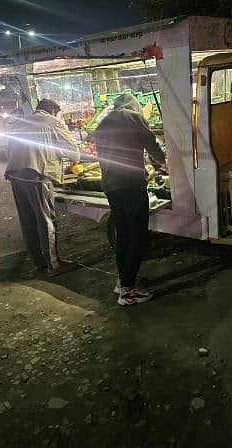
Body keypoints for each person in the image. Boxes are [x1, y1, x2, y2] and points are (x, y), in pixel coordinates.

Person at [94, 93, 166, 306]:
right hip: (131, 184)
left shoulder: (104, 122)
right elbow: (151, 143)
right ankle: (128, 291)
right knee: (138, 235)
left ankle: (122, 280)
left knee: (123, 233)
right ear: (133, 105)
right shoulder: (133, 117)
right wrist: (162, 162)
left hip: (111, 185)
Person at [5, 99, 80, 276]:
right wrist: (73, 163)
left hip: (15, 174)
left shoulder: (21, 121)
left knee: (28, 219)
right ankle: (54, 265)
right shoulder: (52, 121)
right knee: (45, 219)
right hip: (35, 174)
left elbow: (8, 149)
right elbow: (72, 150)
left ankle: (38, 262)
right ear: (54, 111)